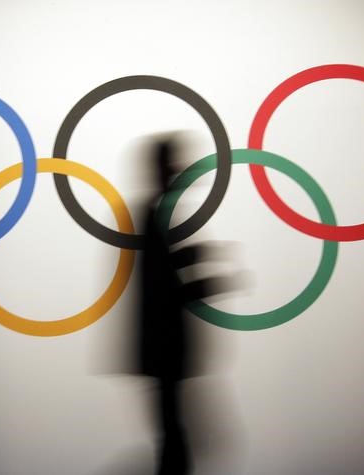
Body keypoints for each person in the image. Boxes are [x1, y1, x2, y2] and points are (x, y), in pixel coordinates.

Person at [135, 136, 229, 475]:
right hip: (166, 354)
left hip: (167, 356)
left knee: (177, 444)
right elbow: (165, 285)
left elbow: (165, 269)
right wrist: (212, 283)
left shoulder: (154, 214)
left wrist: (199, 256)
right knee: (178, 447)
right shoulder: (152, 216)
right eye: (173, 167)